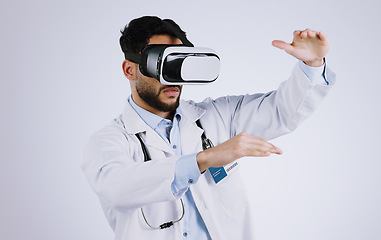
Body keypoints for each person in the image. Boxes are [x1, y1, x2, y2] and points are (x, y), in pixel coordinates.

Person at [82, 16, 336, 240]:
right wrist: (205, 158)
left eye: (178, 62)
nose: (172, 77)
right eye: (160, 63)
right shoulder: (108, 141)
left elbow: (281, 112)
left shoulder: (217, 115)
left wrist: (313, 64)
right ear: (130, 70)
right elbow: (117, 186)